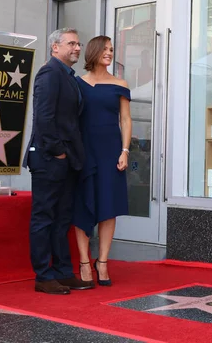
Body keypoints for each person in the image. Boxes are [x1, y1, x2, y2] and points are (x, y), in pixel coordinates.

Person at [23, 28, 94, 294]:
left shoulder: (69, 76)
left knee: (62, 218)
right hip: (48, 158)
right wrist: (57, 151)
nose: (77, 47)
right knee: (44, 218)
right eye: (71, 43)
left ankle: (63, 272)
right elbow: (43, 118)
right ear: (55, 47)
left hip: (66, 161)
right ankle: (43, 276)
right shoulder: (50, 73)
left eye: (78, 43)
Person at [73, 35, 132, 286]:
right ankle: (85, 261)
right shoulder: (77, 83)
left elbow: (126, 120)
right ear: (93, 51)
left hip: (111, 152)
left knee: (109, 207)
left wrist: (125, 151)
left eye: (111, 49)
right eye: (105, 49)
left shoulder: (120, 83)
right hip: (84, 151)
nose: (109, 53)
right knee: (81, 205)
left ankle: (103, 261)